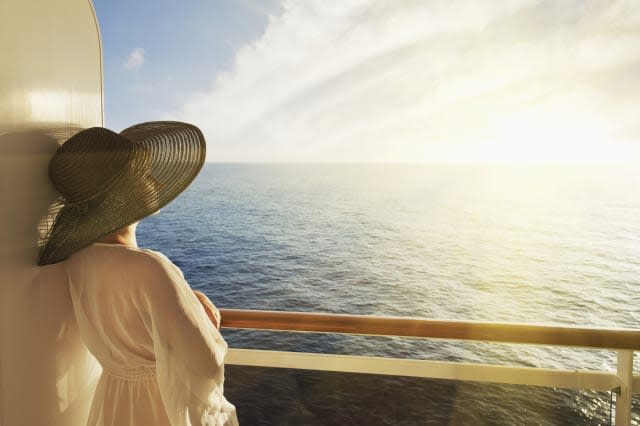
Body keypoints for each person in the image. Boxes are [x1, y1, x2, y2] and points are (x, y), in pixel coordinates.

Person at [38, 122, 238, 426]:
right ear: (122, 189)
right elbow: (205, 362)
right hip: (159, 408)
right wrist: (196, 311)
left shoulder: (79, 259)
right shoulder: (150, 268)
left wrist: (186, 296)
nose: (156, 181)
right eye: (145, 175)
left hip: (115, 402)